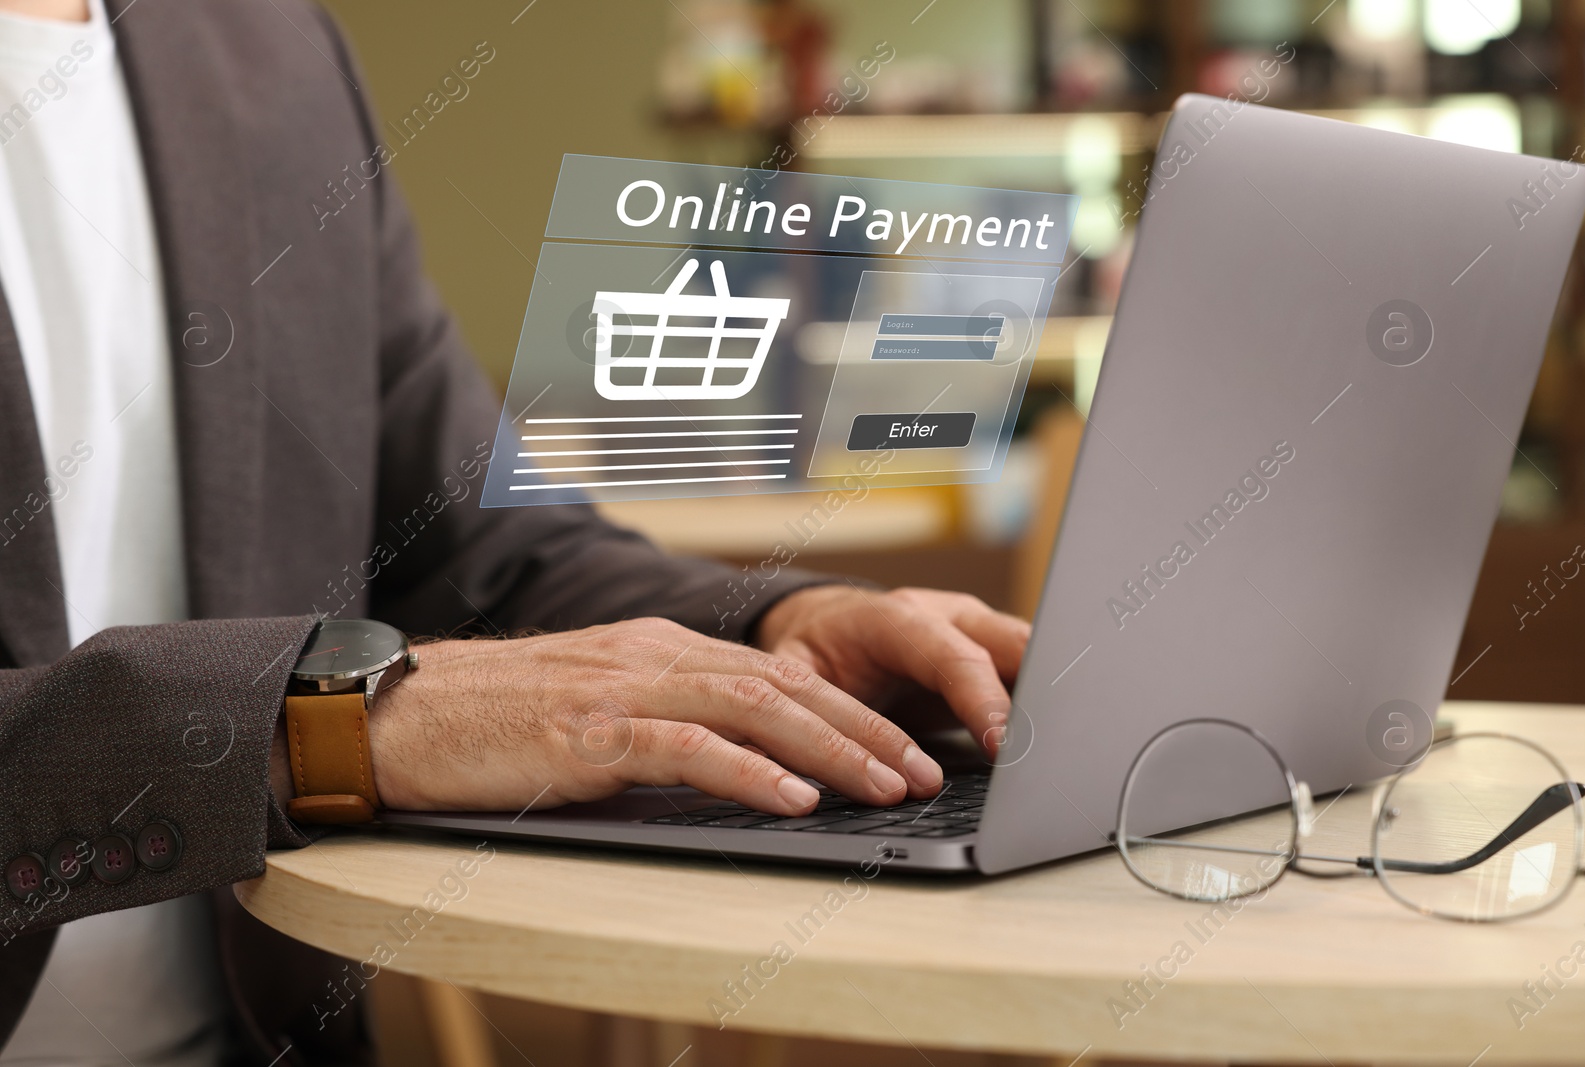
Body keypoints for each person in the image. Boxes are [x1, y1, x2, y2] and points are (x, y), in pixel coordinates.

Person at [0, 0, 1029, 1063]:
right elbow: (389, 690)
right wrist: (345, 719)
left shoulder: (265, 46)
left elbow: (481, 548)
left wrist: (779, 625)